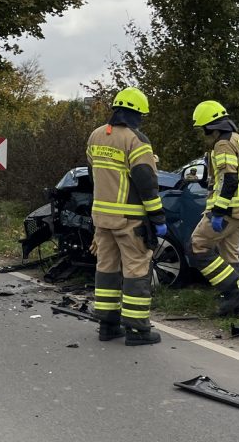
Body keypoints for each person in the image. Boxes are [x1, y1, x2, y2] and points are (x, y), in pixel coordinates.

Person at [85, 87, 167, 346]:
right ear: (138, 113)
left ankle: (107, 325)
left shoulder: (97, 135)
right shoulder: (136, 139)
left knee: (106, 268)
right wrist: (158, 218)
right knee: (136, 269)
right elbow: (146, 182)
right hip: (130, 219)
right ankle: (137, 330)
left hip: (101, 217)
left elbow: (94, 168)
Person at [188, 100, 239, 316]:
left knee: (197, 247)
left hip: (227, 211)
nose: (203, 133)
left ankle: (235, 291)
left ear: (210, 125)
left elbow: (230, 180)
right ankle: (236, 308)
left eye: (203, 128)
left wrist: (218, 211)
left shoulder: (223, 144)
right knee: (230, 257)